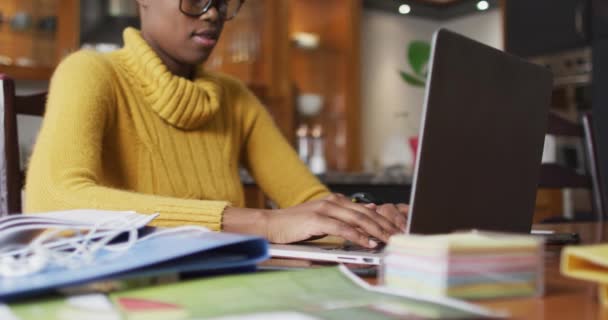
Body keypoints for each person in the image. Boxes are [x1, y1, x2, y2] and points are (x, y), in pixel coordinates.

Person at [25, 0, 408, 249]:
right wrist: (262, 222)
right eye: (195, 0)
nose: (212, 13)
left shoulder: (234, 95)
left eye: (224, 2)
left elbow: (305, 200)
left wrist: (362, 222)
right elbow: (55, 199)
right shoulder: (90, 71)